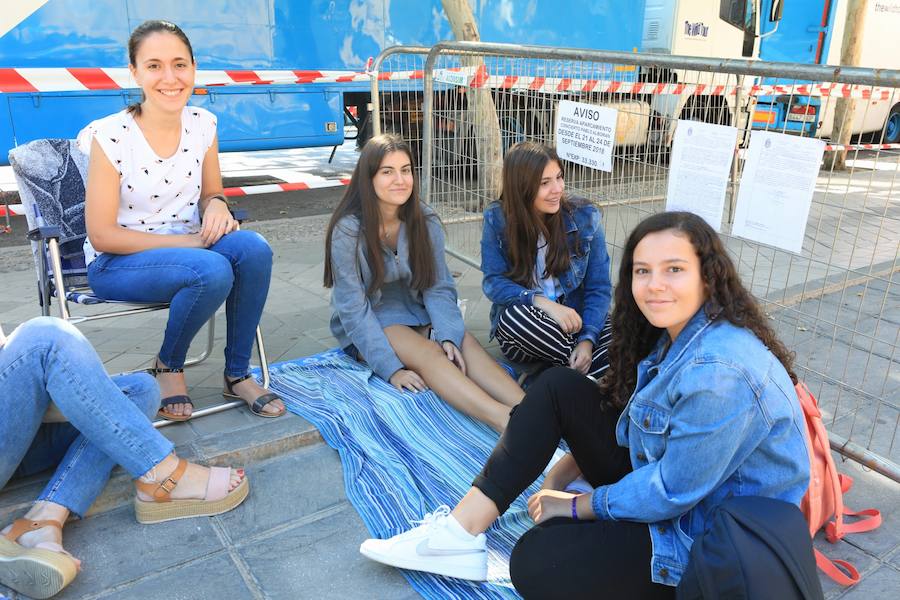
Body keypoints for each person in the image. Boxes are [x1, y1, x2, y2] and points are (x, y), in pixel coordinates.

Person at [359, 211, 811, 597]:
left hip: (702, 538)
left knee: (534, 560)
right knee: (557, 386)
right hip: (675, 492)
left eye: (674, 269)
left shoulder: (720, 374)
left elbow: (671, 492)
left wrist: (577, 505)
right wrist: (568, 466)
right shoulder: (677, 332)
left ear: (707, 276)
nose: (655, 286)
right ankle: (459, 533)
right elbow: (637, 427)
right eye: (642, 270)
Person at [80, 20, 283, 421]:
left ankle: (237, 373)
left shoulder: (203, 124)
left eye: (179, 64)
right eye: (154, 66)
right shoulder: (109, 136)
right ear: (134, 72)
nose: (169, 78)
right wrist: (190, 244)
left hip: (190, 245)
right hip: (119, 261)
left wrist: (218, 205)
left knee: (254, 250)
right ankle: (168, 365)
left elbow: (211, 192)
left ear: (193, 68)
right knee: (211, 269)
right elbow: (102, 235)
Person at [0, 317, 248, 599]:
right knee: (45, 338)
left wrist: (71, 395)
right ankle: (161, 473)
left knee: (141, 389)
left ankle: (43, 518)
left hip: (16, 440)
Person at [324, 134, 524, 432]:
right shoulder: (348, 231)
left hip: (417, 312)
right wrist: (390, 370)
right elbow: (353, 309)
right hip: (373, 322)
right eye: (387, 172)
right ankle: (504, 422)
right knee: (430, 354)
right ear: (368, 178)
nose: (400, 180)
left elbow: (438, 286)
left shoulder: (424, 219)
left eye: (406, 170)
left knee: (462, 343)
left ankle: (532, 410)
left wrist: (448, 334)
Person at [481, 142, 613, 379]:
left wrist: (587, 340)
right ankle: (589, 374)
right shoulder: (497, 219)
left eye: (559, 177)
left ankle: (573, 372)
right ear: (521, 187)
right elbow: (494, 283)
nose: (557, 189)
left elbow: (599, 288)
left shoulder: (584, 217)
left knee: (625, 331)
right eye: (544, 183)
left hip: (577, 321)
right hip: (530, 324)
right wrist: (542, 302)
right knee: (514, 318)